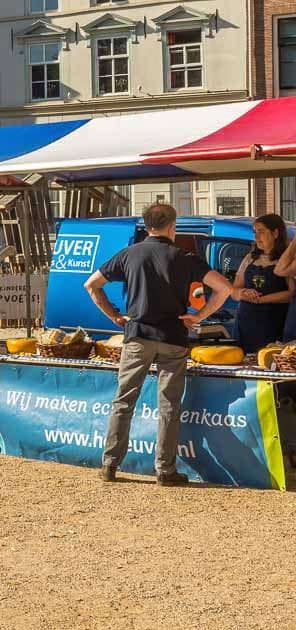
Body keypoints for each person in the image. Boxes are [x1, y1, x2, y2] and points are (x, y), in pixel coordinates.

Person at [84, 204, 234, 487]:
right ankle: (165, 470)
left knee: (124, 401)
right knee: (169, 406)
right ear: (172, 226)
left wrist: (115, 316)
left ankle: (110, 464)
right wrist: (199, 316)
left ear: (147, 226)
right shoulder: (185, 257)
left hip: (137, 336)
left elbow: (91, 284)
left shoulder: (129, 254)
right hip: (172, 338)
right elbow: (224, 288)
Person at [232, 214, 292, 353]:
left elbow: (291, 294)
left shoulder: (285, 261)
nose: (257, 237)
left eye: (261, 232)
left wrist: (261, 300)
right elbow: (234, 292)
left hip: (275, 324)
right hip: (246, 324)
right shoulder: (249, 258)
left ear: (275, 233)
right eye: (255, 232)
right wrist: (243, 293)